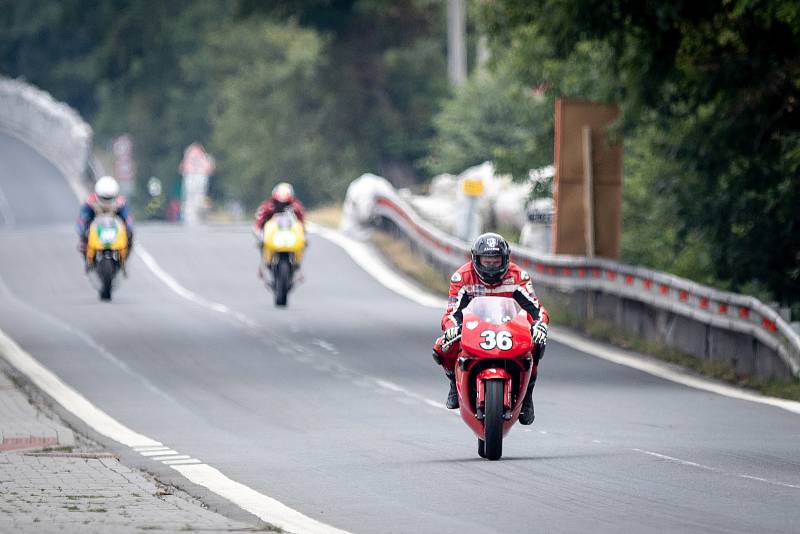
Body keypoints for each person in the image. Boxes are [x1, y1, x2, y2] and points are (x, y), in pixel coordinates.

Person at [432, 232, 549, 425]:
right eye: (487, 261)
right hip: (474, 326)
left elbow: (536, 309)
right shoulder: (461, 277)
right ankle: (454, 382)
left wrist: (540, 326)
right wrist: (452, 328)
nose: (492, 266)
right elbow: (452, 312)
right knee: (442, 347)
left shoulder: (518, 276)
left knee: (537, 342)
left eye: (496, 261)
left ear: (505, 260)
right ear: (476, 259)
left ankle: (527, 396)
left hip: (507, 326)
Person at [252, 182, 306, 277]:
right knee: (261, 244)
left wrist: (303, 234)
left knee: (304, 244)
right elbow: (258, 222)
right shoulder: (267, 206)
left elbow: (301, 224)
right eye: (279, 203)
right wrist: (259, 233)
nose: (282, 205)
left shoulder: (296, 207)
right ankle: (264, 262)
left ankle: (297, 262)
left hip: (289, 237)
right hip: (272, 236)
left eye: (285, 203)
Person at [77, 176, 134, 262]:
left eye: (109, 198)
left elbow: (127, 218)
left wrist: (128, 229)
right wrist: (83, 232)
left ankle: (125, 254)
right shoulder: (90, 201)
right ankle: (87, 251)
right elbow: (82, 218)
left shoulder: (120, 202)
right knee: (84, 232)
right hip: (96, 224)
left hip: (114, 225)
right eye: (104, 198)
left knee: (129, 233)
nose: (106, 201)